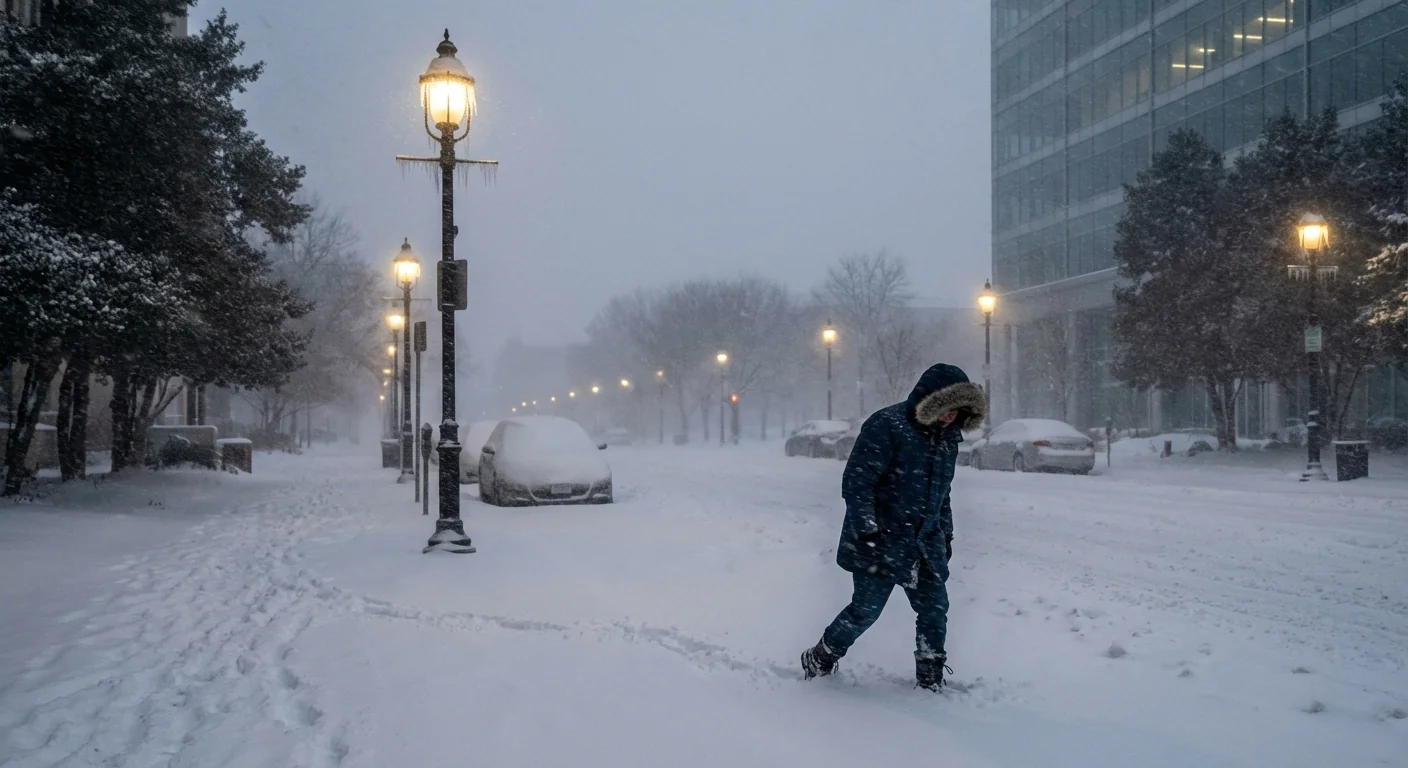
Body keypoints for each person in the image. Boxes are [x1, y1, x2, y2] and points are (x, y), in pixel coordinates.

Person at [801, 363, 985, 691]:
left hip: (924, 542)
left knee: (935, 608)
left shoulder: (948, 441)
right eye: (946, 408)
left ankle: (930, 679)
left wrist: (946, 533)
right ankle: (822, 654)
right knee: (865, 611)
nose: (950, 417)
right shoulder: (887, 425)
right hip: (882, 539)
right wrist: (868, 530)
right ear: (930, 400)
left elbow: (943, 494)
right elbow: (858, 483)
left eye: (957, 411)